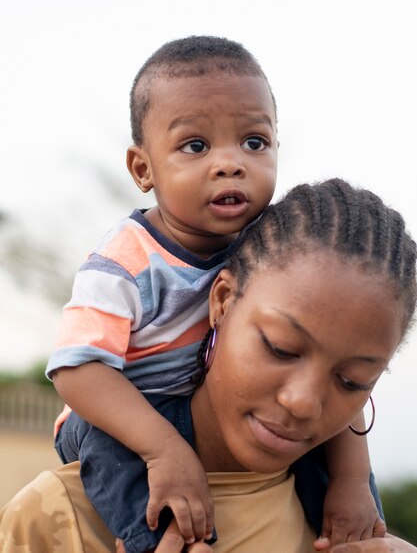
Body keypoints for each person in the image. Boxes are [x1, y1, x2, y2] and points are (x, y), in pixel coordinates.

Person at [45, 36, 381, 552]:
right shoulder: (125, 264)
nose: (231, 164)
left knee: (323, 441)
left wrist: (355, 482)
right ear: (143, 169)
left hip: (204, 407)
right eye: (196, 146)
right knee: (119, 454)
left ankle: (345, 533)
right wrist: (162, 449)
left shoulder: (276, 249)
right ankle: (164, 539)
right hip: (121, 412)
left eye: (254, 142)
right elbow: (77, 368)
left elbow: (329, 356)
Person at [1, 178, 417, 553]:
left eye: (351, 381)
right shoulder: (55, 520)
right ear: (221, 301)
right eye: (281, 348)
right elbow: (76, 364)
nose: (303, 402)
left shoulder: (353, 530)